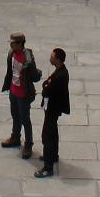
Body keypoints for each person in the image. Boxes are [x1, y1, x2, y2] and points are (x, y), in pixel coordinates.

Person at [1, 32, 40, 158]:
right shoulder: (11, 54)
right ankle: (15, 137)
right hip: (13, 90)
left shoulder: (28, 58)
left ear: (20, 44)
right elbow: (10, 71)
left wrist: (37, 72)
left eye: (13, 43)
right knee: (15, 115)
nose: (11, 45)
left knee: (25, 119)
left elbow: (35, 76)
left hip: (24, 94)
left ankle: (28, 144)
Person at [35, 47, 70, 178]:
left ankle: (48, 167)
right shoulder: (60, 71)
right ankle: (53, 156)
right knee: (53, 132)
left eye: (52, 56)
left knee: (47, 136)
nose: (50, 58)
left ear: (58, 60)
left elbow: (47, 89)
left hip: (52, 109)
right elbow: (47, 84)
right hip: (52, 108)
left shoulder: (61, 75)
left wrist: (45, 87)